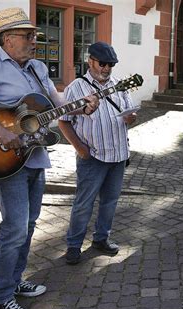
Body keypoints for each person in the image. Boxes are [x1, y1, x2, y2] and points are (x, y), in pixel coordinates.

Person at [0, 8, 98, 309]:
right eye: (27, 36)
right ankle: (0, 298)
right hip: (3, 158)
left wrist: (82, 108)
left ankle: (14, 281)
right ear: (6, 39)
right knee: (14, 227)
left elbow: (56, 106)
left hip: (33, 156)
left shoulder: (38, 68)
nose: (34, 40)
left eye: (34, 35)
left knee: (28, 225)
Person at [59, 41, 137, 265]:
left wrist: (131, 118)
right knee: (84, 203)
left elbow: (129, 115)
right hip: (92, 156)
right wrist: (79, 148)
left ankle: (101, 238)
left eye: (110, 64)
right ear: (90, 60)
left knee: (110, 201)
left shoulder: (119, 85)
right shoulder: (76, 87)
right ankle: (74, 245)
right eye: (102, 63)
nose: (106, 68)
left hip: (118, 154)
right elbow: (63, 122)